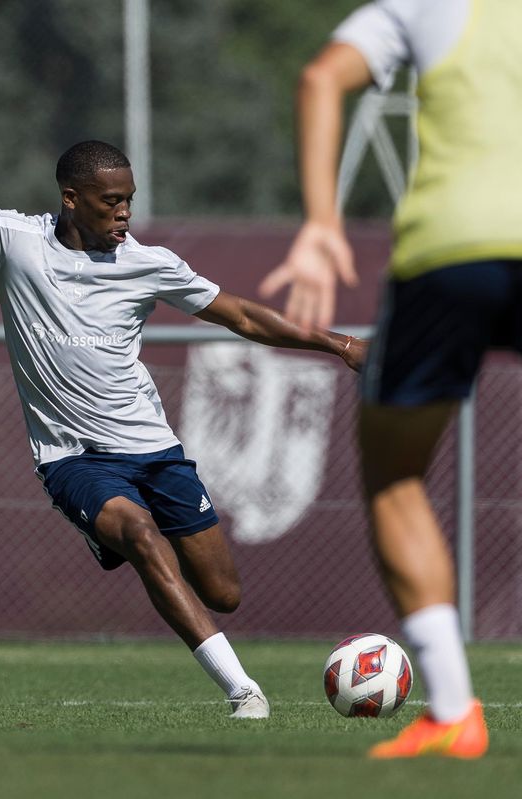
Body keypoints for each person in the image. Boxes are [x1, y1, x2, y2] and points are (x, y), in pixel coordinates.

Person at [0, 138, 365, 720]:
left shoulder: (150, 264)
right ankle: (243, 691)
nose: (124, 213)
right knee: (143, 538)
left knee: (224, 594)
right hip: (73, 458)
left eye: (129, 201)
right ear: (71, 200)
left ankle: (116, 536)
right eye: (111, 201)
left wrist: (340, 344)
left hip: (156, 450)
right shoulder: (14, 240)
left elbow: (243, 316)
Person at [258, 0, 511, 759]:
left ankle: (455, 709)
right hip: (454, 250)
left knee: (396, 477)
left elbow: (320, 78)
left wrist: (322, 222)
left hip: (452, 249)